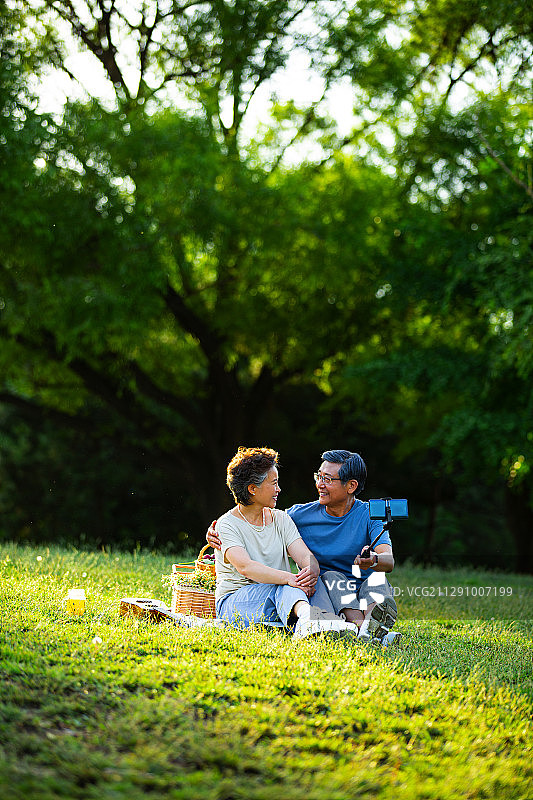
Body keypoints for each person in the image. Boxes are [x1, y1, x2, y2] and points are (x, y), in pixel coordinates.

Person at [209, 449, 400, 645]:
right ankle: (342, 626)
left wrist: (372, 560)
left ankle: (365, 629)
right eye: (319, 476)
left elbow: (387, 560)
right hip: (316, 591)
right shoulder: (297, 515)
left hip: (355, 589)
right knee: (324, 578)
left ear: (351, 486)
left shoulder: (283, 518)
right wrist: (216, 531)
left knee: (365, 579)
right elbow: (246, 559)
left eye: (328, 479)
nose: (320, 484)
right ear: (252, 488)